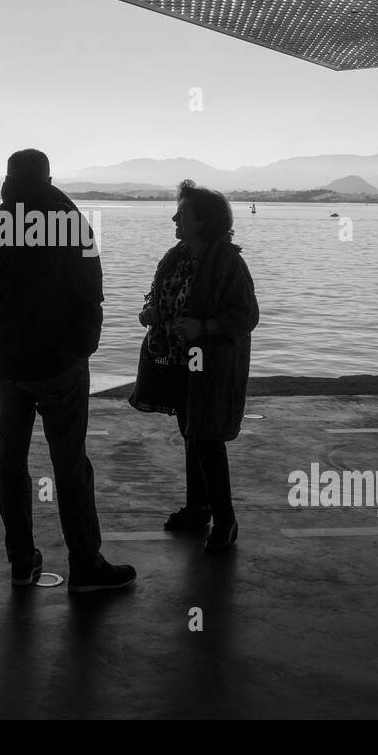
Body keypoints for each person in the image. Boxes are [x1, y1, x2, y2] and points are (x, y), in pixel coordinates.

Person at [0, 149, 136, 593]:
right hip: (61, 364)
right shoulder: (70, 224)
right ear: (49, 177)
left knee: (11, 461)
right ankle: (85, 564)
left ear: (7, 179)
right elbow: (91, 295)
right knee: (71, 463)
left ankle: (20, 562)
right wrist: (82, 350)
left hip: (6, 366)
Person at [130, 180, 259, 553]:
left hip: (212, 365)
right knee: (192, 434)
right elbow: (158, 298)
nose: (175, 217)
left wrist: (206, 327)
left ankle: (226, 520)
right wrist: (150, 312)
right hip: (179, 361)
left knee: (207, 438)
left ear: (204, 221)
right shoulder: (177, 257)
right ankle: (198, 508)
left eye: (183, 212)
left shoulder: (228, 263)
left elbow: (247, 314)